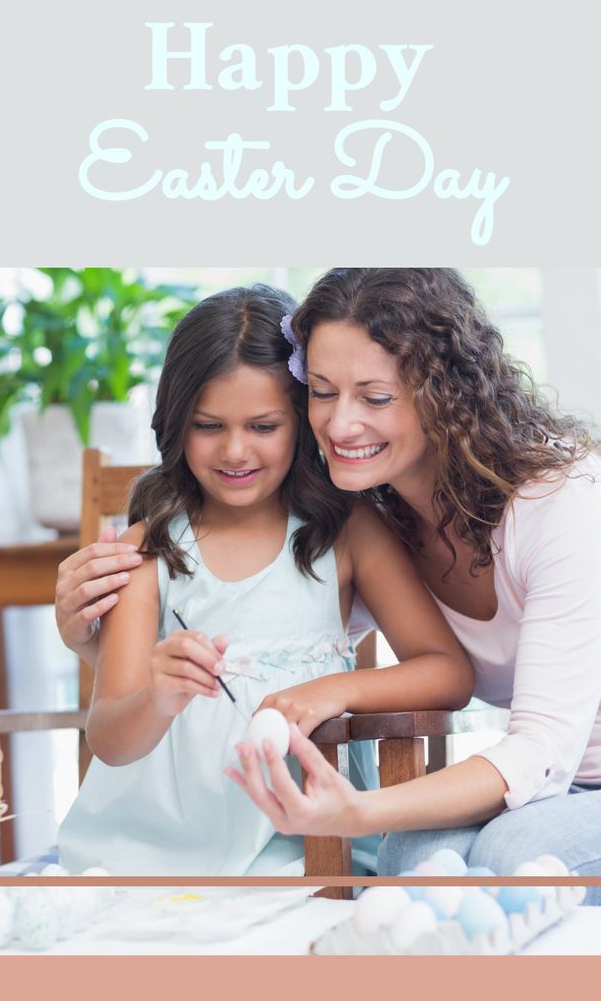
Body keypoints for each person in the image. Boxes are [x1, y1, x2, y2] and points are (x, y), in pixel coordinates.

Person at [62, 268, 601, 907]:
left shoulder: (566, 501)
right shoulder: (381, 511)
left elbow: (539, 749)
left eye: (375, 398)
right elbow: (266, 629)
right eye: (322, 392)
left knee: (508, 860)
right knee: (411, 864)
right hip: (568, 795)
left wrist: (357, 809)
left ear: (443, 393)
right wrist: (87, 636)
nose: (340, 422)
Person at [55, 283, 474, 876]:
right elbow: (112, 740)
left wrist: (337, 689)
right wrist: (159, 696)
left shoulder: (348, 532)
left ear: (302, 422)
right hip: (145, 859)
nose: (234, 450)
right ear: (177, 424)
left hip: (306, 853)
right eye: (208, 425)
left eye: (263, 425)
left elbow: (448, 672)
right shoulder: (146, 551)